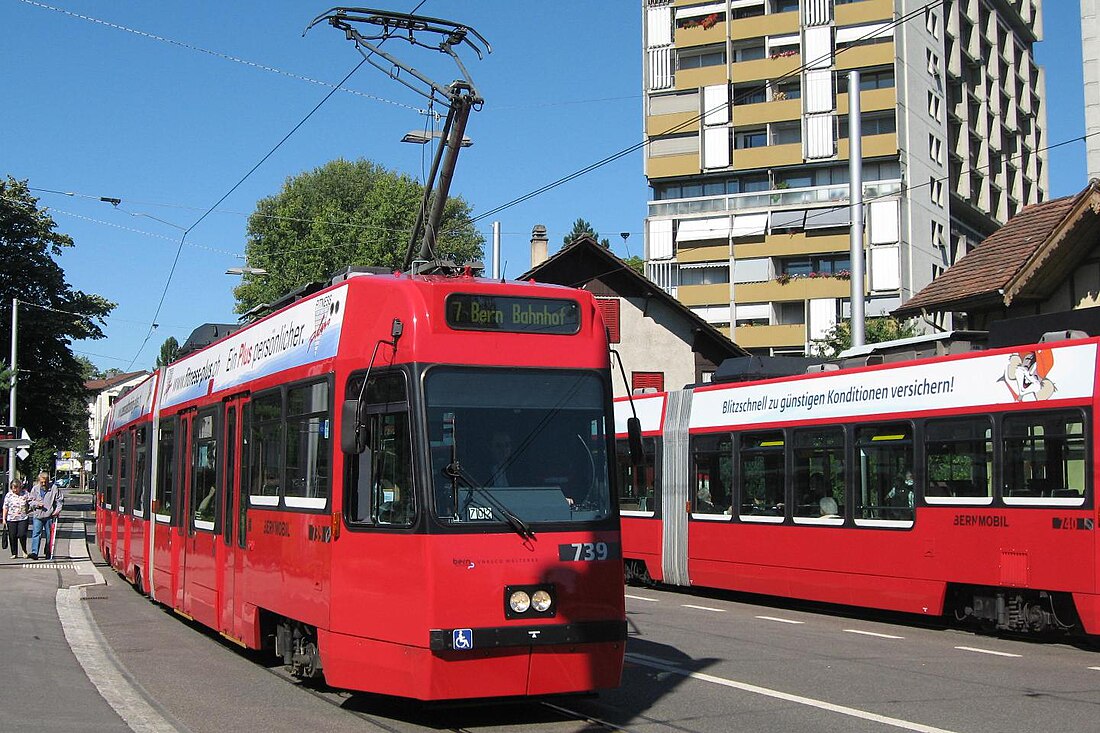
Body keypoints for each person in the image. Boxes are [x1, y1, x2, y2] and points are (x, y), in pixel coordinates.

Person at [29, 471, 64, 560]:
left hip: (49, 515)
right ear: (38, 481)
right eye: (42, 482)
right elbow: (30, 501)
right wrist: (36, 504)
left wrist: (57, 511)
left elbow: (60, 500)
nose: (44, 484)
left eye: (46, 482)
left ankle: (48, 552)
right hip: (38, 515)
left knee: (49, 535)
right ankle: (34, 553)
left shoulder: (54, 488)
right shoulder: (35, 489)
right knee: (36, 534)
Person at [2, 479, 32, 559]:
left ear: (20, 487)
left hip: (23, 518)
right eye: (13, 488)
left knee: (22, 534)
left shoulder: (25, 494)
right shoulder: (9, 495)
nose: (15, 490)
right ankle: (14, 553)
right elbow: (5, 507)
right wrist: (4, 519)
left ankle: (24, 550)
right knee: (12, 536)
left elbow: (31, 502)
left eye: (17, 488)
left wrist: (30, 509)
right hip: (11, 519)